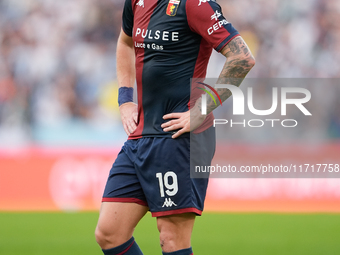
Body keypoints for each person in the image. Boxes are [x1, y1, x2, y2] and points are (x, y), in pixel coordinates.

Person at [95, 0, 255, 254]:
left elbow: (242, 57)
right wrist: (125, 99)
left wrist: (201, 111)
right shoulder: (135, 2)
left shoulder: (195, 5)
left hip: (180, 137)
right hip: (140, 135)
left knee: (172, 240)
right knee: (109, 234)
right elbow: (125, 42)